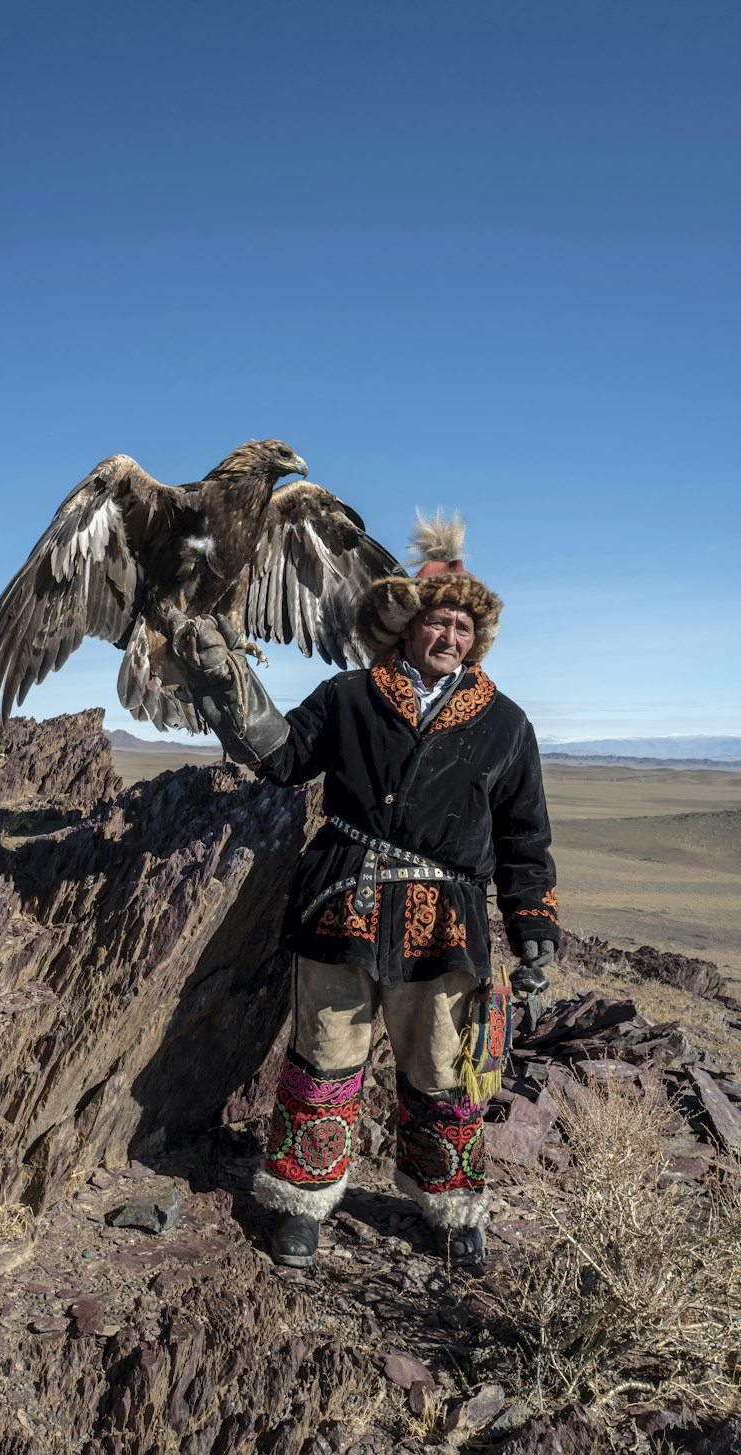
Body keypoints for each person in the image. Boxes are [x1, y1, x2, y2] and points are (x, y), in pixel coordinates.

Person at [176, 512, 559, 1268]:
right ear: (406, 627)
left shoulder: (507, 725)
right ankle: (301, 1201)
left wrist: (534, 925)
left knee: (444, 1070)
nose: (446, 636)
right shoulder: (349, 695)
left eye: (459, 626)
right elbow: (283, 759)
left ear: (474, 640)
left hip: (446, 927)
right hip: (341, 908)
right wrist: (229, 687)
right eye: (435, 621)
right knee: (324, 1056)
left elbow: (525, 835)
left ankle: (447, 1207)